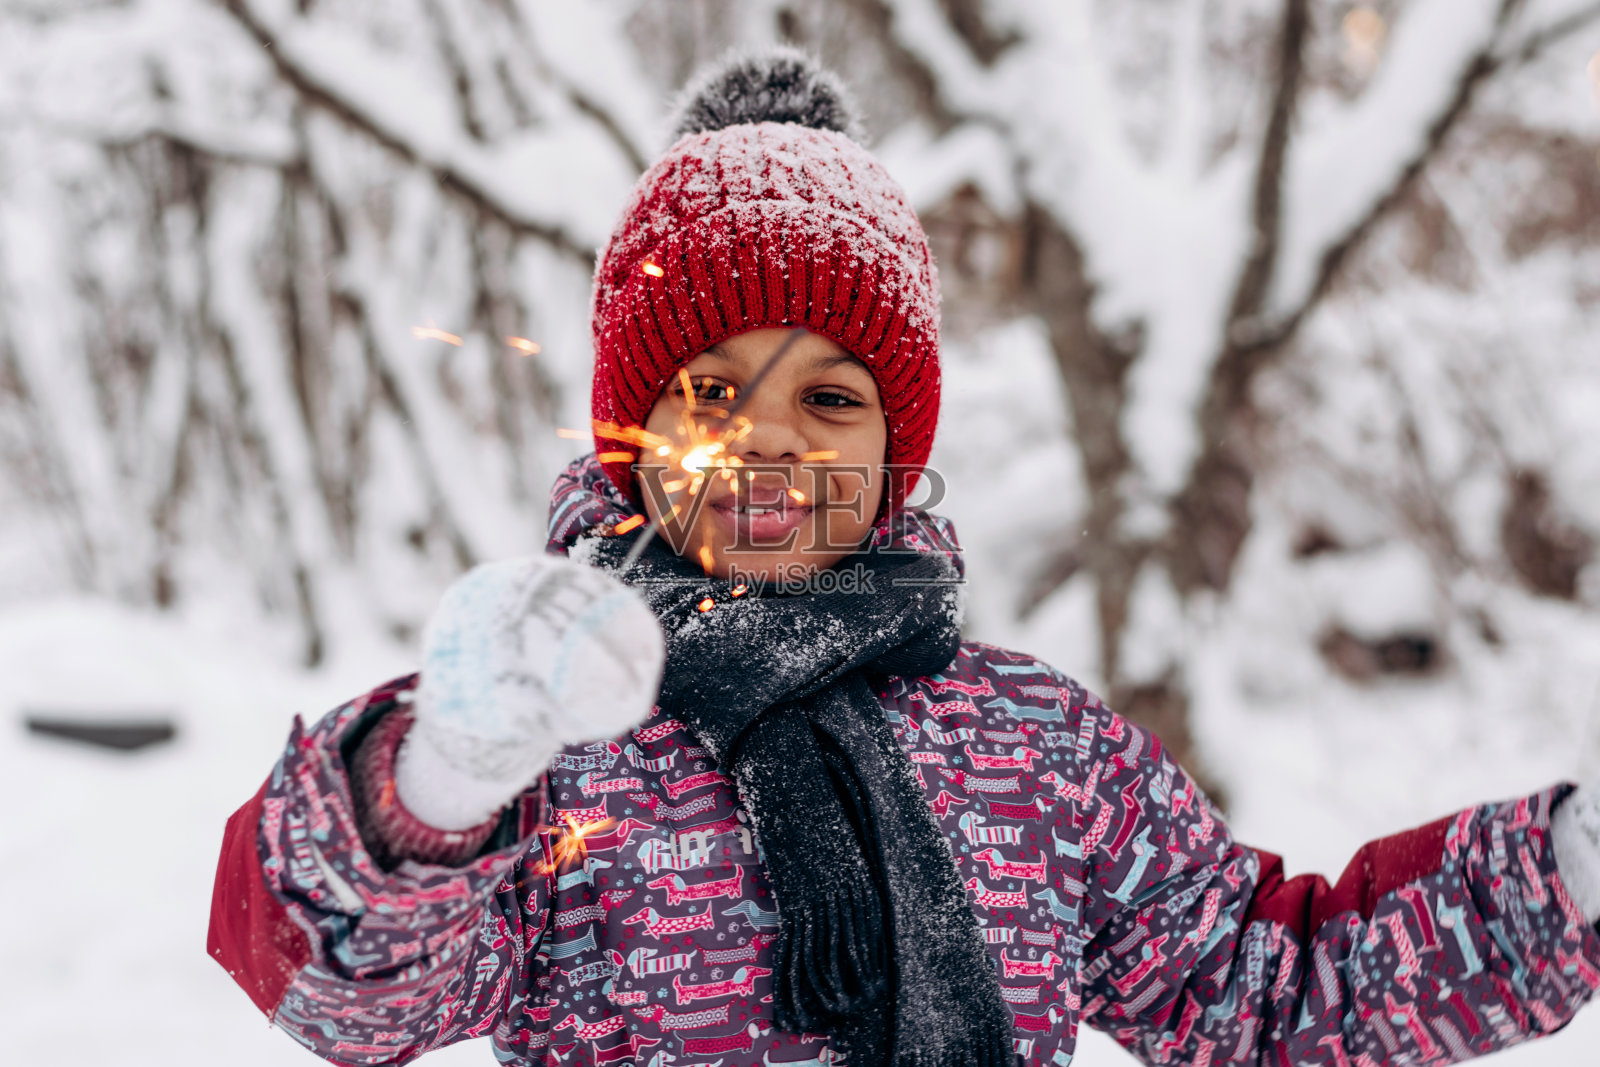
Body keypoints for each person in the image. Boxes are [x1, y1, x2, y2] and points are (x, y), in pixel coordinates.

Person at [208, 48, 1600, 1067]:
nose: (770, 443)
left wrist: (1571, 870)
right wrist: (441, 779)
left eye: (829, 398)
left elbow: (1266, 988)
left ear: (896, 444)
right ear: (632, 431)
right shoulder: (561, 740)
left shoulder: (1035, 742)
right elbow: (362, 1001)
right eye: (710, 391)